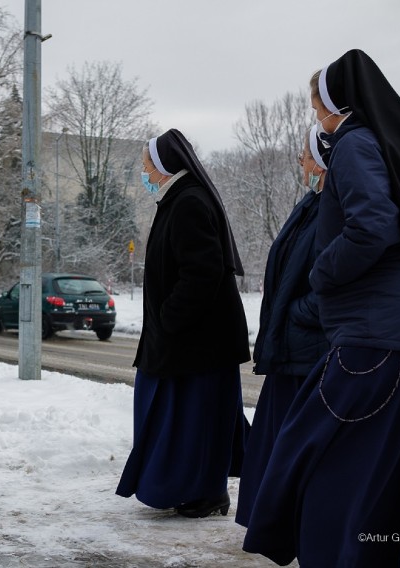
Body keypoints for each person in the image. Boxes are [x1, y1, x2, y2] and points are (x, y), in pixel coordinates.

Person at [243, 49, 400, 567]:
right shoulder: (387, 143)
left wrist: (323, 272)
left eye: (316, 104)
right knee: (397, 462)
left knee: (324, 455)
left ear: (336, 102)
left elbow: (373, 225)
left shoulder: (354, 143)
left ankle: (340, 555)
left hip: (376, 335)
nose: (316, 117)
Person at [116, 128, 250, 518]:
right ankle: (195, 489)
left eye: (145, 166)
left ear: (162, 166)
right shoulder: (179, 198)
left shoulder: (188, 201)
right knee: (195, 420)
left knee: (195, 422)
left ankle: (205, 493)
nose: (143, 173)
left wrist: (170, 318)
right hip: (190, 343)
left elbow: (203, 271)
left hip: (195, 343)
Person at [234, 125, 330, 527]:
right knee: (274, 445)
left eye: (306, 156)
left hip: (308, 352)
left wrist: (297, 314)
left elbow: (333, 281)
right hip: (289, 351)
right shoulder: (311, 202)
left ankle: (292, 525)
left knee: (294, 447)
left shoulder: (332, 209)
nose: (300, 163)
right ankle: (277, 525)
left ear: (322, 163)